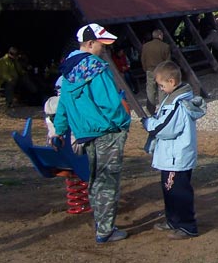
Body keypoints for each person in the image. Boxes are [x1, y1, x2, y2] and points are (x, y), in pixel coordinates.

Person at [53, 24, 132, 244]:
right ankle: (106, 230)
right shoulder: (96, 67)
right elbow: (109, 102)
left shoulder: (68, 71)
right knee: (108, 181)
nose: (104, 50)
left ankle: (101, 222)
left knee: (96, 179)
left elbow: (63, 106)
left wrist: (59, 131)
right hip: (108, 131)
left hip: (86, 134)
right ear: (89, 44)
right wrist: (123, 123)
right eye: (102, 45)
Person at [142, 61, 206, 240]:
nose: (161, 89)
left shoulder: (178, 104)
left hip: (176, 158)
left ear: (171, 81)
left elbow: (166, 128)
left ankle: (187, 226)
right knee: (169, 190)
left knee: (179, 192)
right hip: (170, 157)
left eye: (162, 85)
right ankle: (172, 220)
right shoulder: (172, 101)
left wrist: (148, 124)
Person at [141, 29, 171, 114]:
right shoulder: (165, 46)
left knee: (150, 90)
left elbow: (143, 59)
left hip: (150, 70)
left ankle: (150, 110)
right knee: (162, 90)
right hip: (161, 70)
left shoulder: (145, 46)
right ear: (160, 36)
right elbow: (168, 61)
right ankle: (163, 109)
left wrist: (145, 68)